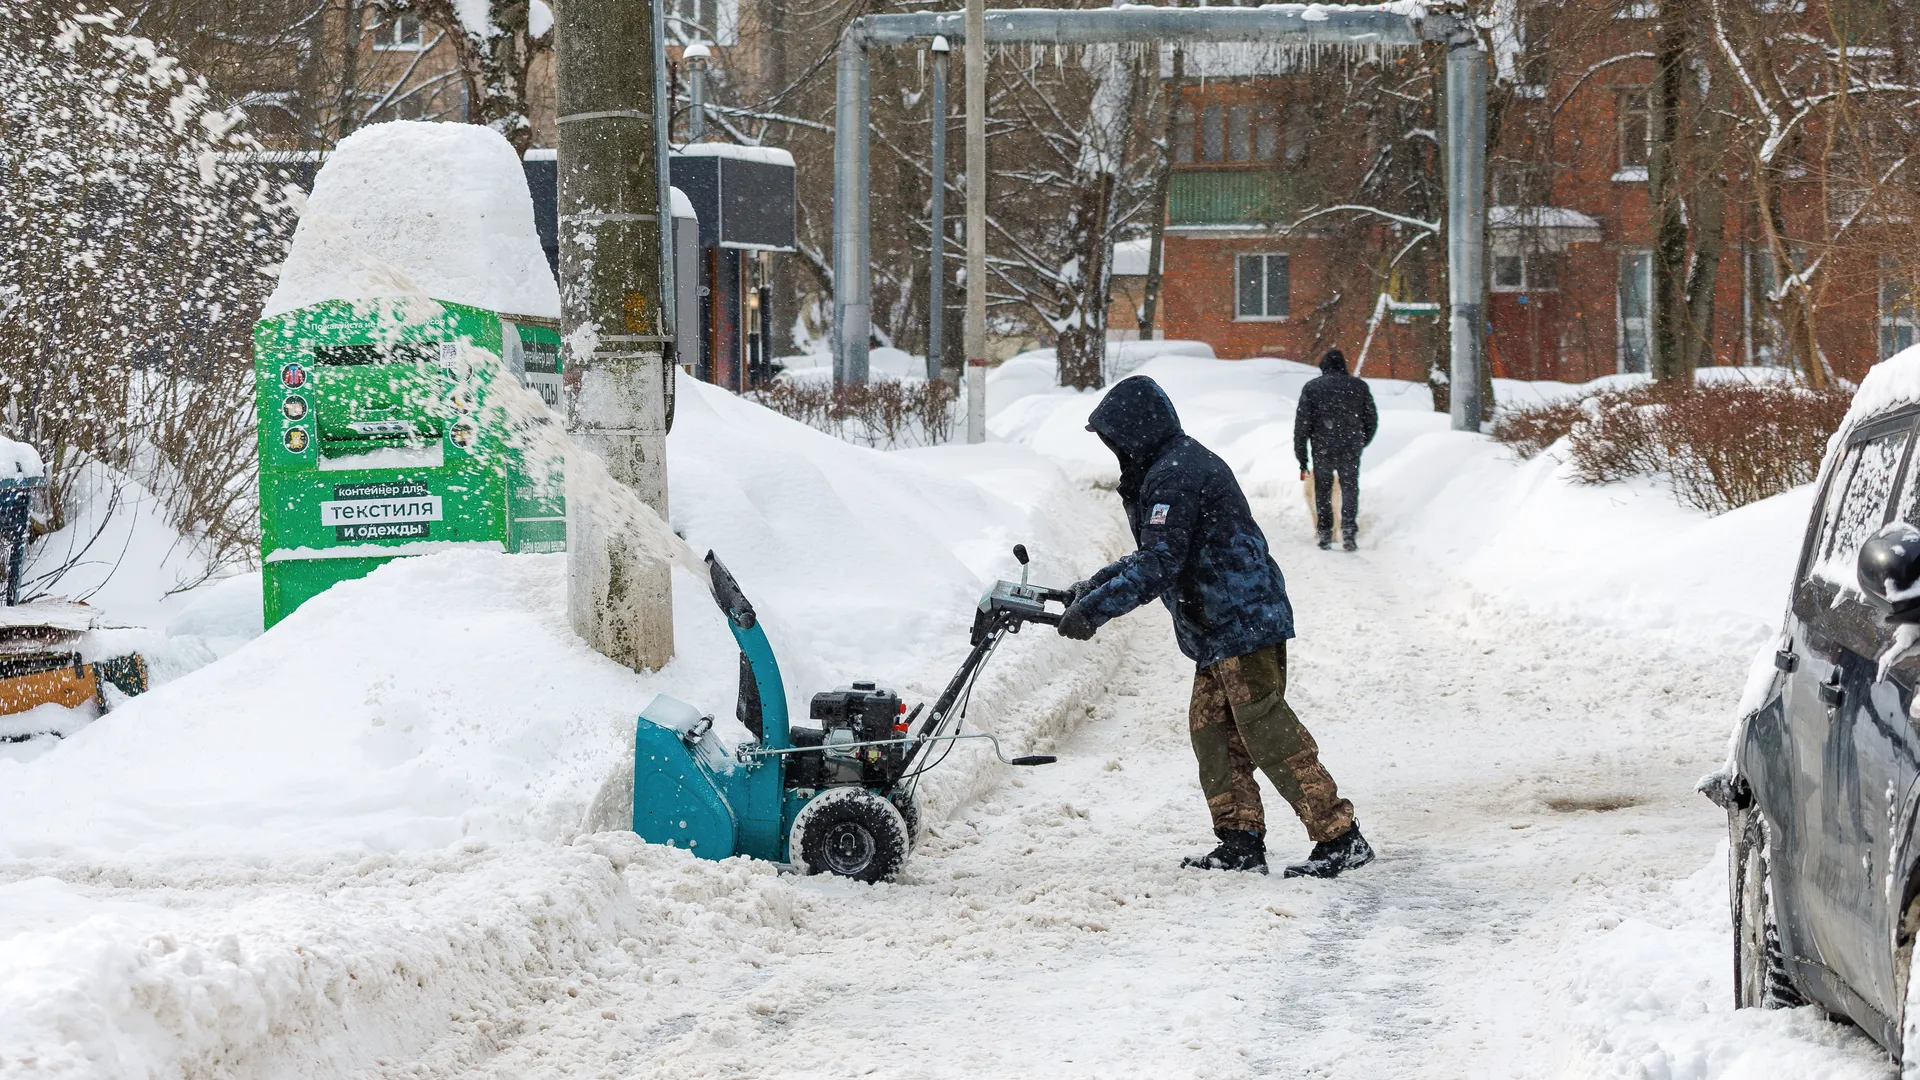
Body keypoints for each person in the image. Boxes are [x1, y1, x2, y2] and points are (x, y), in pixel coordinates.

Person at [1055, 375, 1373, 879]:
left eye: (1114, 437)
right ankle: (1240, 841)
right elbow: (1151, 554)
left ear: (1136, 431)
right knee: (1213, 734)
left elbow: (1160, 562)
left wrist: (1094, 612)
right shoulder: (1165, 466)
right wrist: (1089, 589)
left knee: (1265, 728)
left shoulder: (1177, 473)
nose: (1113, 449)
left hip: (1241, 620)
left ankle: (1340, 836)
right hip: (1217, 626)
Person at [1293, 348, 1378, 552]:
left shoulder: (1312, 388)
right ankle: (1348, 530)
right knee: (1349, 487)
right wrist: (1360, 441)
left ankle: (1325, 532)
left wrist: (1302, 458)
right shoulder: (1359, 387)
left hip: (1322, 447)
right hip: (1350, 446)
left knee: (1322, 489)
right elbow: (1371, 419)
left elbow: (1302, 425)